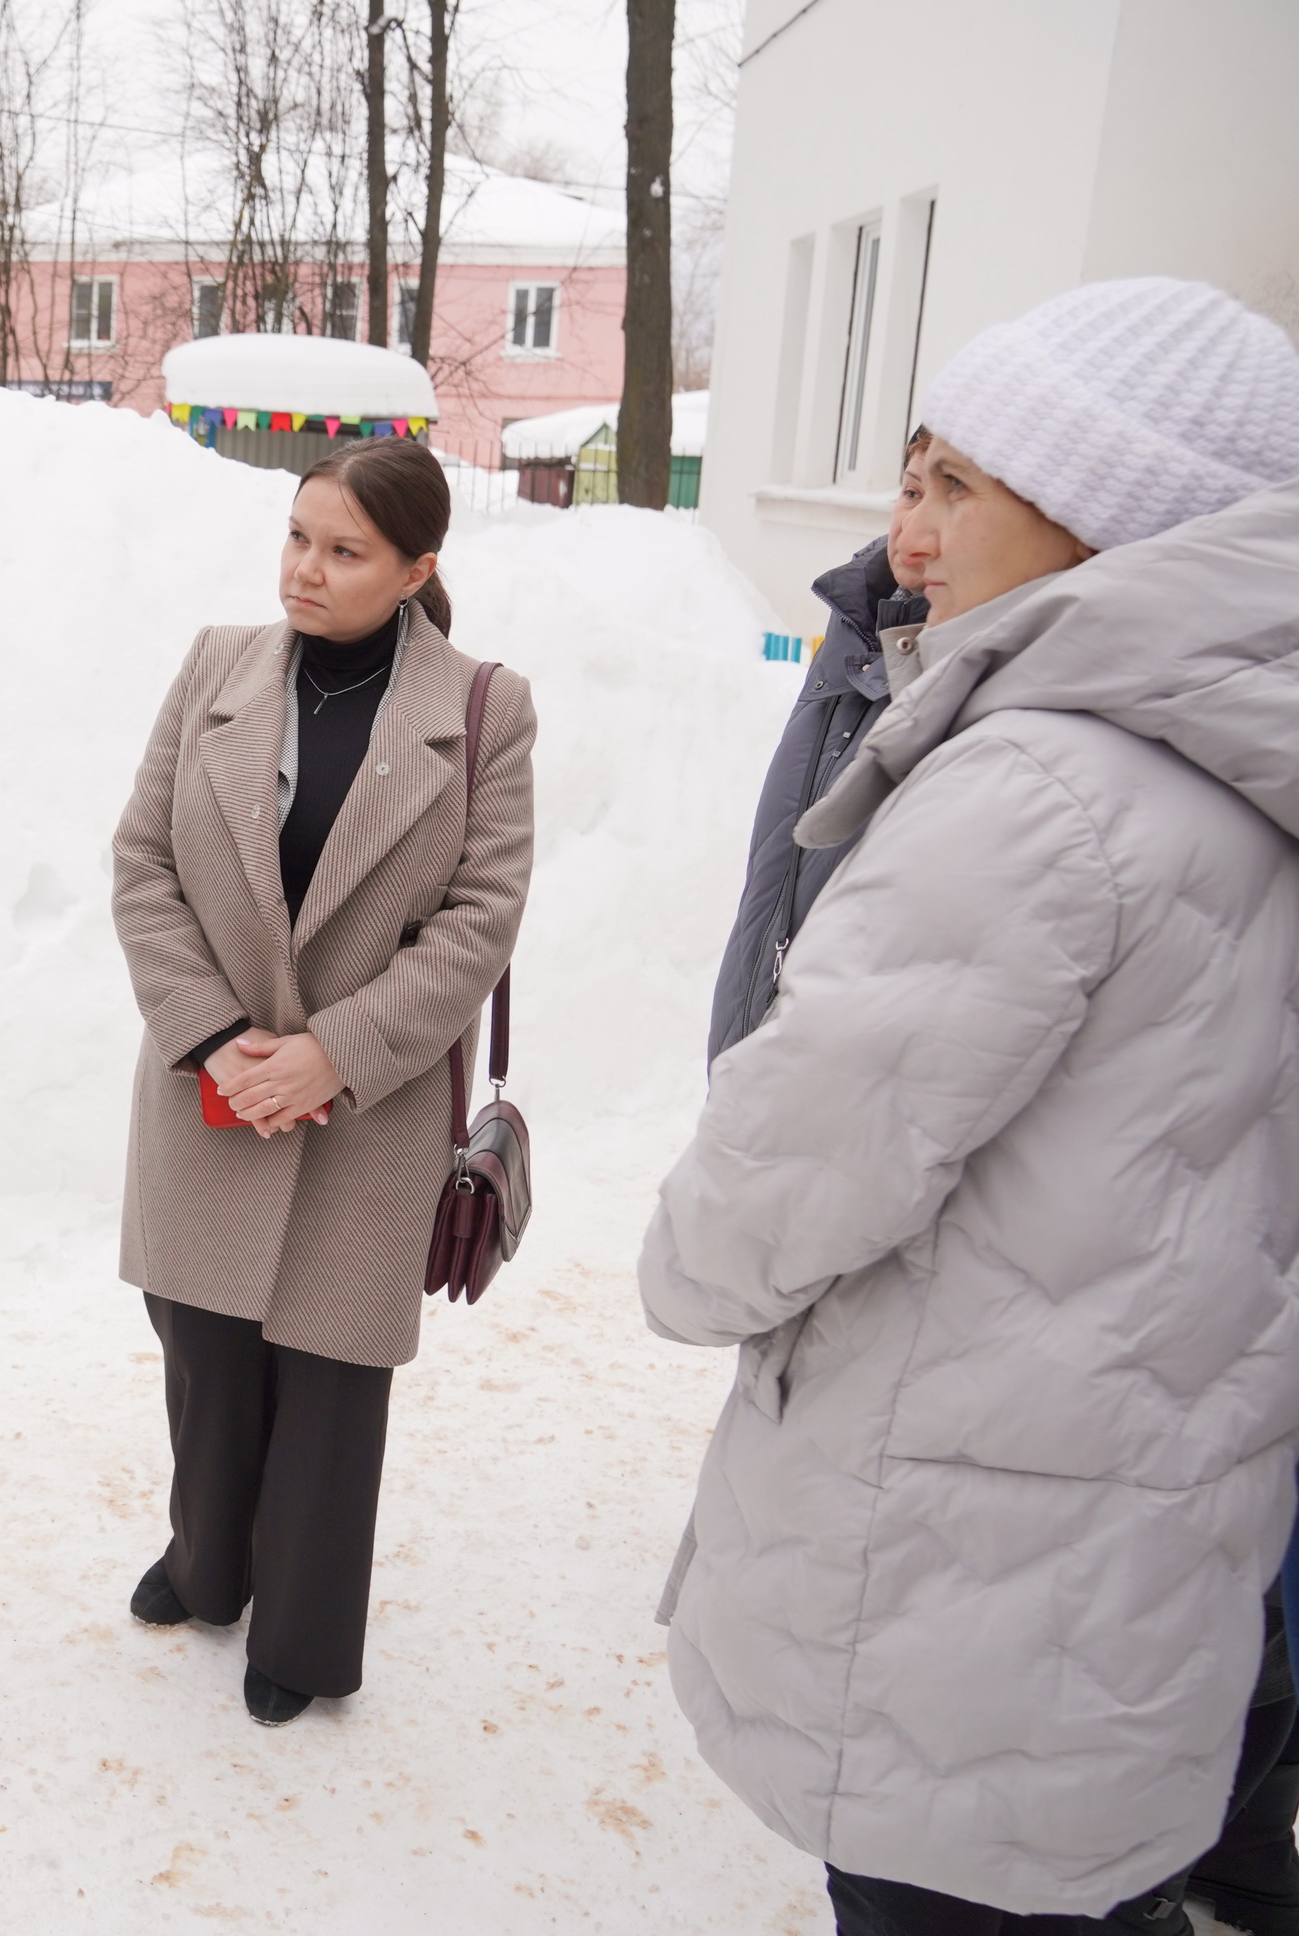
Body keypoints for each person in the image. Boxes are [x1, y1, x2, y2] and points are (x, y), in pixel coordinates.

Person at [639, 276, 1299, 1931]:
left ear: (1098, 519)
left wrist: (681, 1272)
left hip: (953, 1575)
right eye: (907, 475)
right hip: (1135, 1562)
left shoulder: (1035, 784)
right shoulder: (1236, 774)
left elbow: (799, 1153)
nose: (903, 536)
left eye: (950, 487)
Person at [109, 436, 536, 1725]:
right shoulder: (215, 668)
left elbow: (480, 920)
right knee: (206, 1358)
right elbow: (143, 863)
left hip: (370, 1109)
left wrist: (331, 1055)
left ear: (416, 569)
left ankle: (298, 1637)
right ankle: (207, 1563)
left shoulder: (482, 708)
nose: (307, 568)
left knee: (333, 1391)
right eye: (298, 537)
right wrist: (212, 1034)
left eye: (345, 551)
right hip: (213, 1088)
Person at [707, 440, 931, 1060]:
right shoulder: (862, 621)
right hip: (765, 1050)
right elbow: (779, 875)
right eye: (911, 491)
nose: (916, 524)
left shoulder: (952, 672)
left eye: (953, 496)